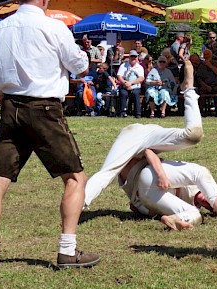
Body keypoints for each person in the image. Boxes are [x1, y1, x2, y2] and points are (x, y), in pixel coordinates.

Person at [0, 0, 101, 272]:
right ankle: (67, 251)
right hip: (45, 109)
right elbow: (81, 67)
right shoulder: (53, 27)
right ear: (45, 0)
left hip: (10, 107)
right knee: (74, 178)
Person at [84, 60, 204, 209]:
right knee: (107, 172)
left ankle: (189, 90)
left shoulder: (183, 202)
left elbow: (137, 206)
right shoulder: (197, 184)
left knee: (194, 135)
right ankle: (79, 204)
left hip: (146, 155)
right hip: (136, 135)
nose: (205, 202)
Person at [120, 148, 217, 231]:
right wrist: (161, 174)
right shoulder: (195, 184)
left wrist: (147, 211)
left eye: (210, 206)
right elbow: (148, 152)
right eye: (211, 200)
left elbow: (152, 208)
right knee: (200, 172)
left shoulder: (190, 205)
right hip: (148, 174)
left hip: (143, 196)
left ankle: (177, 220)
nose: (206, 202)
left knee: (196, 214)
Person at [117, 49, 145, 118]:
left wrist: (131, 83)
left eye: (135, 57)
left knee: (136, 94)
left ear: (137, 57)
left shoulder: (140, 67)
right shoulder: (123, 65)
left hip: (135, 85)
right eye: (132, 56)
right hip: (125, 85)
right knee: (123, 93)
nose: (133, 58)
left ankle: (137, 113)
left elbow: (141, 78)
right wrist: (124, 83)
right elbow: (119, 76)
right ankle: (122, 112)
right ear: (129, 57)